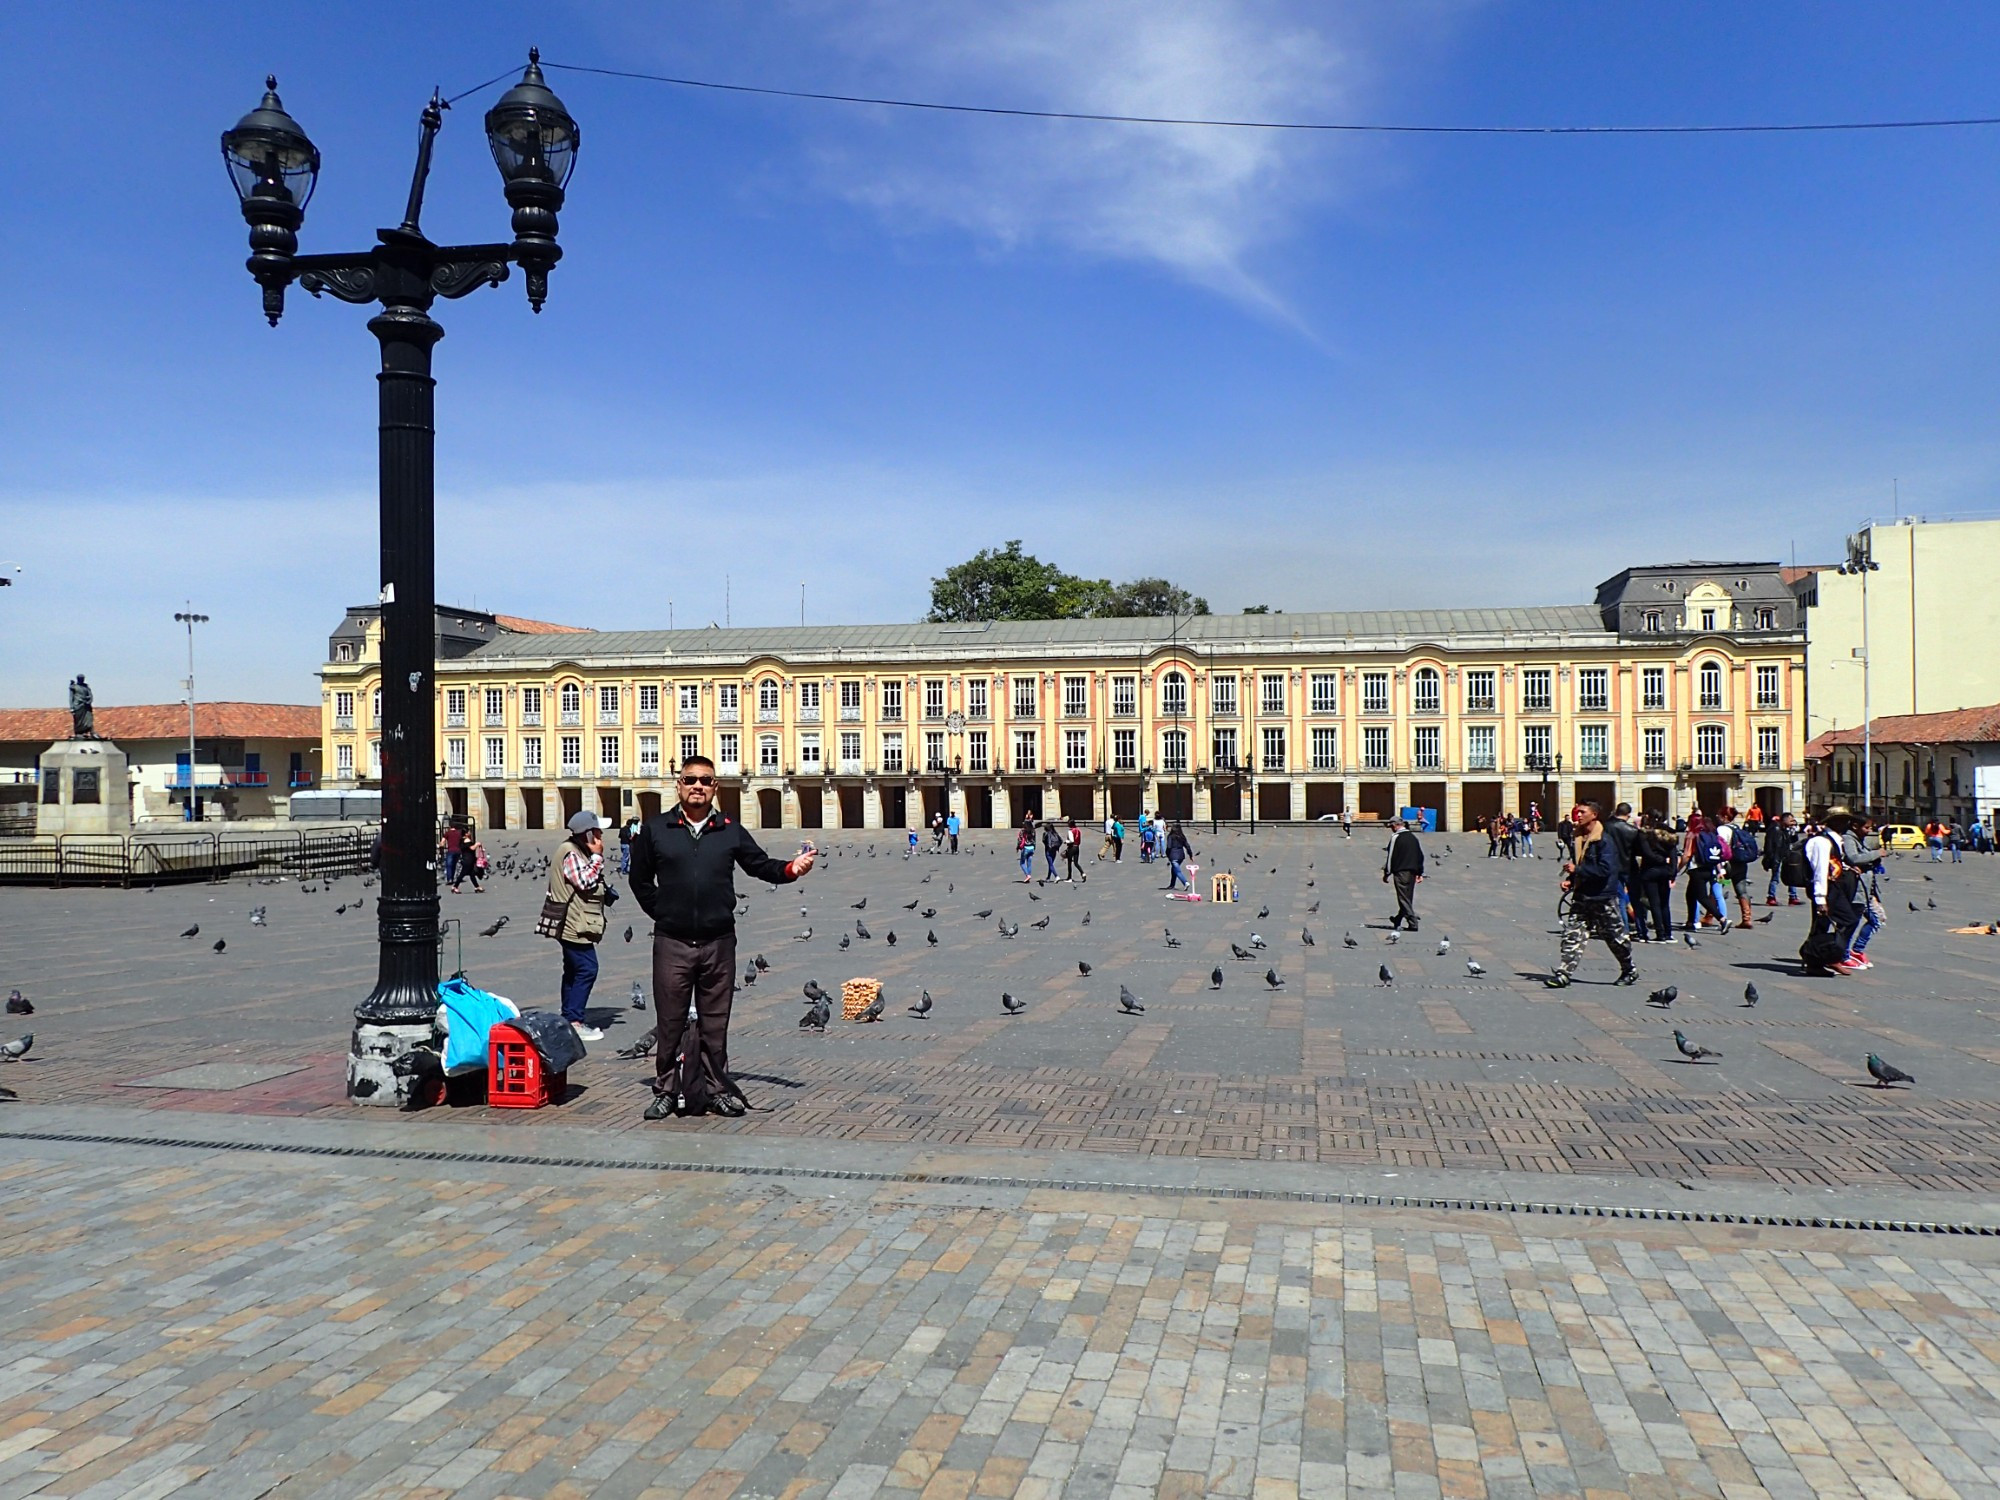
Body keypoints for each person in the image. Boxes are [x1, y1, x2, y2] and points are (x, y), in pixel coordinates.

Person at [631, 756, 815, 1120]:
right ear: (679, 785)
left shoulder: (730, 830)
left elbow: (760, 865)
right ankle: (666, 1090)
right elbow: (639, 881)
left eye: (705, 780)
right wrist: (666, 913)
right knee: (669, 1020)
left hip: (719, 942)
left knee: (716, 1022)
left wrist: (792, 869)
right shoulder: (655, 829)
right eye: (690, 780)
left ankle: (716, 1089)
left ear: (715, 787)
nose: (697, 786)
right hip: (672, 942)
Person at [1544, 801, 1638, 989]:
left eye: (1582, 812)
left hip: (1603, 896)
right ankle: (1564, 973)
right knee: (1573, 935)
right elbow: (1581, 863)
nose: (1577, 815)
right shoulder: (1578, 837)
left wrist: (1578, 869)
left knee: (1615, 938)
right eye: (1577, 812)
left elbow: (1605, 870)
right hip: (1583, 895)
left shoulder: (1604, 840)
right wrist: (1571, 878)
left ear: (1594, 815)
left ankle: (1629, 969)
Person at [544, 810, 617, 1042]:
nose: (601, 835)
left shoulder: (574, 850)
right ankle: (574, 1020)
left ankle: (568, 1016)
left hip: (574, 921)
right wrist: (597, 857)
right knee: (587, 968)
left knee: (574, 970)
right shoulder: (571, 853)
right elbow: (584, 881)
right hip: (573, 923)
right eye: (597, 832)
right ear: (587, 835)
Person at [1800, 807, 1861, 976]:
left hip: (1834, 887)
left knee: (1822, 925)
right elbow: (1820, 870)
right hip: (1827, 889)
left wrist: (1849, 867)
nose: (1846, 823)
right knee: (1847, 920)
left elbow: (1835, 863)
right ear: (1832, 822)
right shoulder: (1822, 842)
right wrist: (1820, 898)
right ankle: (1827, 956)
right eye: (1841, 820)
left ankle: (1815, 960)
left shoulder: (1835, 841)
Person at [1840, 813, 1887, 971]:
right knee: (1852, 923)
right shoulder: (1848, 839)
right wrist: (1876, 854)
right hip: (1857, 889)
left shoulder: (1859, 839)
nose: (1869, 831)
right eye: (1866, 827)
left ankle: (1856, 950)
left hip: (1867, 889)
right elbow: (1853, 858)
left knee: (1877, 919)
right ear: (1855, 826)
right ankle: (1845, 954)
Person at [1630, 812, 1679, 944]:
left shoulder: (1645, 834)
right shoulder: (1668, 833)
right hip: (1666, 871)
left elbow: (1646, 852)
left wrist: (1660, 859)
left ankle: (1660, 934)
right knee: (1664, 903)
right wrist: (1672, 871)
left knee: (1655, 903)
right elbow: (1674, 854)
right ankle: (1669, 933)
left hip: (1650, 870)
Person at [1678, 811, 1729, 933]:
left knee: (1702, 897)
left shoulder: (1693, 835)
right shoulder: (1711, 834)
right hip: (1710, 869)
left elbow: (1687, 855)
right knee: (1690, 894)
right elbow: (1717, 855)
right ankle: (1691, 922)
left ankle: (1722, 919)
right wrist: (1719, 870)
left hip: (1697, 870)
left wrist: (1678, 869)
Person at [1717, 807, 1757, 928]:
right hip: (1740, 863)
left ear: (1724, 817)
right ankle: (1747, 918)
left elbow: (1721, 847)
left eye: (1719, 816)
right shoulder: (1736, 827)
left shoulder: (1722, 829)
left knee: (1717, 888)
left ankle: (1709, 915)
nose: (1717, 818)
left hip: (1728, 864)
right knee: (1742, 891)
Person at [1383, 818, 1424, 931]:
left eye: (1391, 826)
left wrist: (1387, 872)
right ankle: (1398, 919)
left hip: (1401, 872)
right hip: (1412, 872)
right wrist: (1420, 872)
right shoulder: (1413, 838)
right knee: (1407, 898)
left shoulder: (1396, 837)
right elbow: (1420, 856)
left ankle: (1413, 922)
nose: (1391, 828)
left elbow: (1391, 857)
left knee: (1403, 898)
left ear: (1396, 825)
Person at [1762, 812, 1804, 906]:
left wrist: (1794, 831)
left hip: (1786, 857)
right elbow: (1769, 845)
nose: (1792, 822)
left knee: (1792, 877)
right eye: (1790, 820)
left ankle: (1793, 897)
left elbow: (1794, 842)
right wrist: (1770, 857)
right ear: (1784, 819)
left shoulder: (1786, 830)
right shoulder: (1775, 829)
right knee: (1775, 878)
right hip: (1777, 857)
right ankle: (1771, 897)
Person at [1164, 820, 1194, 892]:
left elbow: (1169, 846)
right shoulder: (1182, 836)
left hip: (1173, 855)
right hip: (1181, 855)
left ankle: (1185, 882)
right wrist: (1190, 855)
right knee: (1174, 869)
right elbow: (1187, 846)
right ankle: (1172, 884)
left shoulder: (1171, 836)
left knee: (1177, 871)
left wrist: (1167, 854)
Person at [1062, 816, 1086, 882]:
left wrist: (1066, 841)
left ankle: (1069, 877)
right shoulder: (1078, 830)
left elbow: (1071, 840)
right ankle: (1082, 873)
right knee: (1076, 863)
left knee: (1069, 863)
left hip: (1071, 847)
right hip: (1077, 847)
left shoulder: (1070, 831)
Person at [442, 821, 465, 891]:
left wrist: (441, 846)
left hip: (451, 850)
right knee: (454, 865)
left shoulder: (448, 833)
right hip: (458, 851)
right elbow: (462, 841)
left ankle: (450, 879)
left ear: (450, 827)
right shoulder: (459, 833)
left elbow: (443, 841)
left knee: (449, 865)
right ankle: (452, 877)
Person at [1040, 816, 1063, 883]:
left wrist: (1047, 845)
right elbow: (1061, 840)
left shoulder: (1046, 833)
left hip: (1048, 850)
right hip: (1055, 849)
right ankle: (1048, 877)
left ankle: (1056, 876)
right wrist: (1057, 846)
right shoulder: (1055, 833)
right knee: (1051, 864)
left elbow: (1043, 841)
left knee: (1050, 864)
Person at [1016, 813, 1036, 881]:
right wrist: (1034, 847)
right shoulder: (1033, 831)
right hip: (1032, 848)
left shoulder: (1023, 831)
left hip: (1026, 848)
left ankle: (1028, 875)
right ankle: (1029, 876)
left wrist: (1018, 847)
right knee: (1029, 863)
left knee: (1022, 863)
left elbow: (1020, 840)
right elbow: (1035, 840)